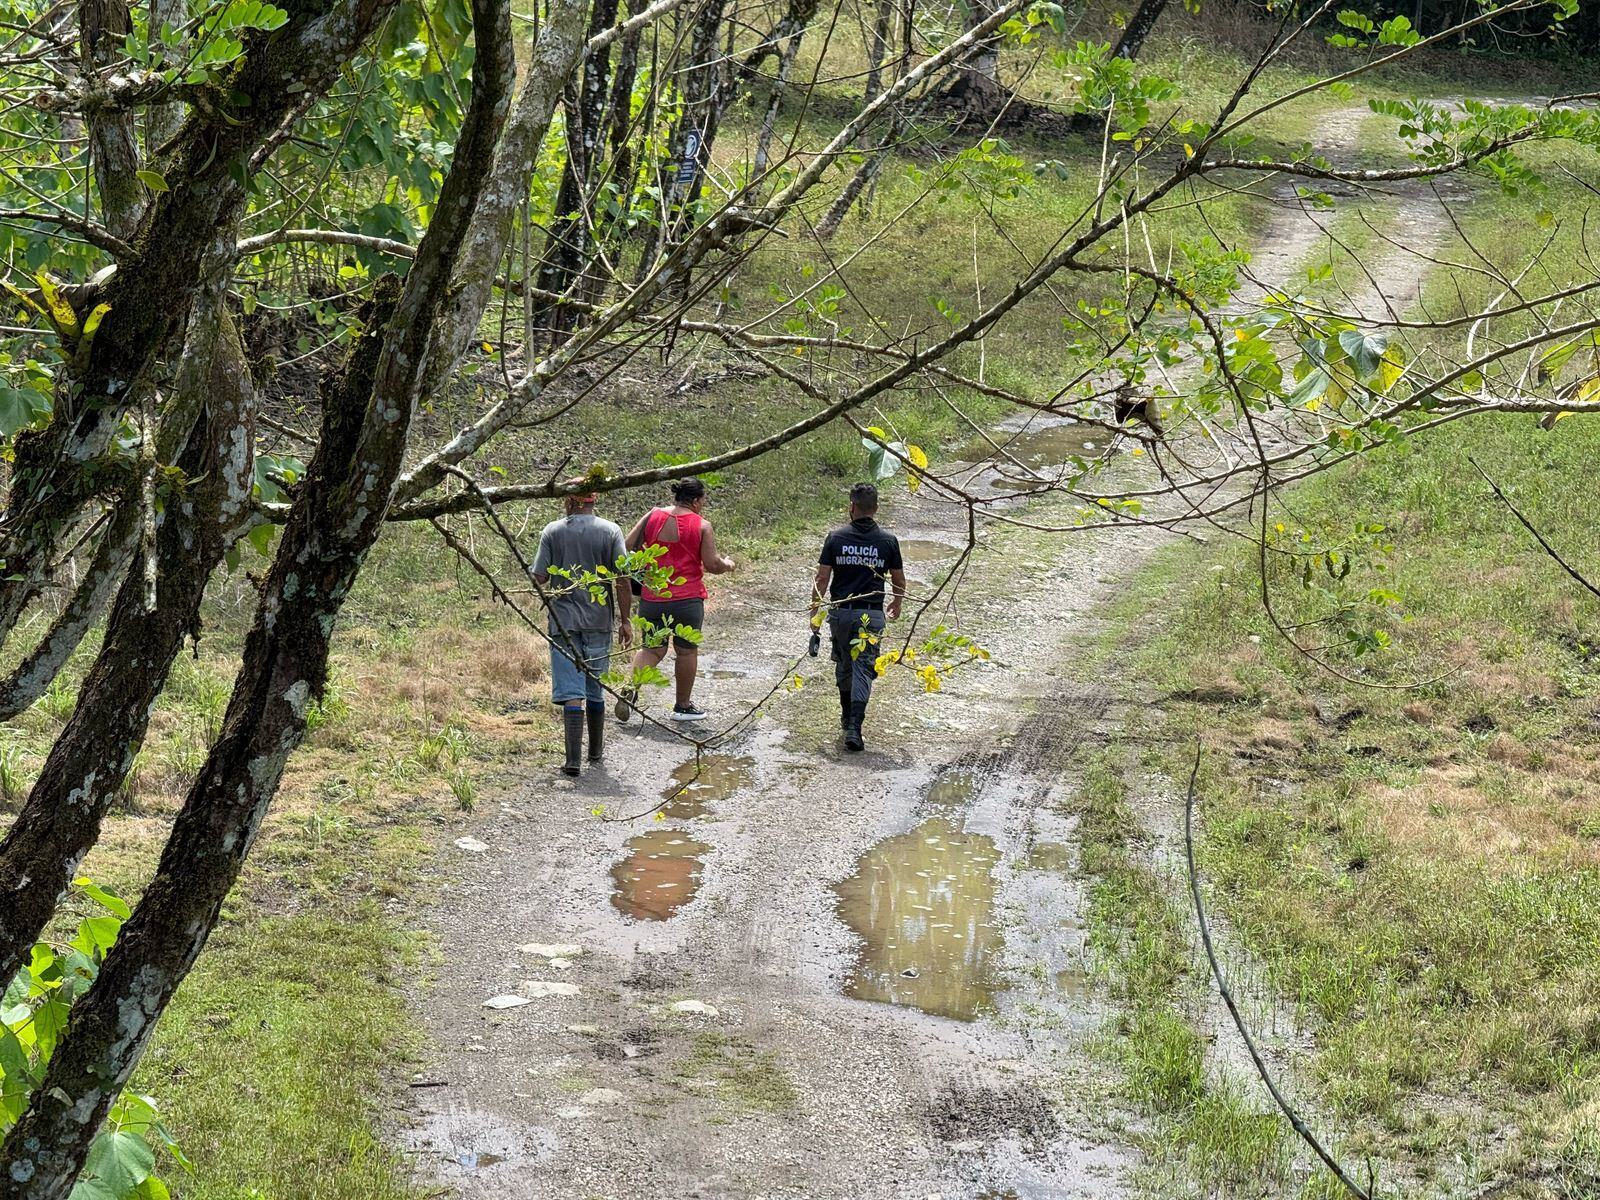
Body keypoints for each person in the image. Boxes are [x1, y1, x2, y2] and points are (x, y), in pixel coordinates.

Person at [531, 484, 632, 776]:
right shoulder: (611, 531)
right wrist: (625, 620)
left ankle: (573, 761)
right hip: (599, 622)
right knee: (595, 687)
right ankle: (596, 753)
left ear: (569, 500)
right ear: (593, 500)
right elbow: (622, 579)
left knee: (571, 690)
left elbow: (540, 576)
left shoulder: (552, 531)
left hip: (563, 623)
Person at [619, 478, 734, 722]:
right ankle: (682, 706)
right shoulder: (702, 525)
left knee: (652, 648)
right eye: (703, 500)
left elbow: (627, 545)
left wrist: (646, 559)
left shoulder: (653, 515)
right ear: (695, 500)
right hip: (687, 599)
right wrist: (728, 564)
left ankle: (630, 689)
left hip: (653, 595)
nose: (703, 504)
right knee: (686, 651)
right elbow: (712, 564)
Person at [810, 482, 906, 752]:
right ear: (875, 508)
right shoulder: (888, 541)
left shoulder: (836, 538)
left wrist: (814, 612)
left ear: (851, 507)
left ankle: (846, 717)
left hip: (842, 614)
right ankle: (855, 725)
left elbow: (822, 577)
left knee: (843, 665)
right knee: (864, 666)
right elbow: (898, 579)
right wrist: (897, 602)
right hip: (871, 615)